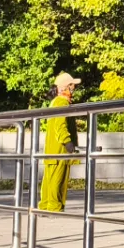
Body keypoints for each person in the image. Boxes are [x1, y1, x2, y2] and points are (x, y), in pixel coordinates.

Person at [38, 72, 79, 213]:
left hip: (52, 148)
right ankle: (55, 208)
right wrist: (67, 141)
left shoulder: (55, 101)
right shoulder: (62, 102)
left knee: (49, 179)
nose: (74, 88)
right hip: (59, 149)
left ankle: (45, 206)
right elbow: (60, 125)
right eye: (72, 85)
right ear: (65, 87)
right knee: (58, 179)